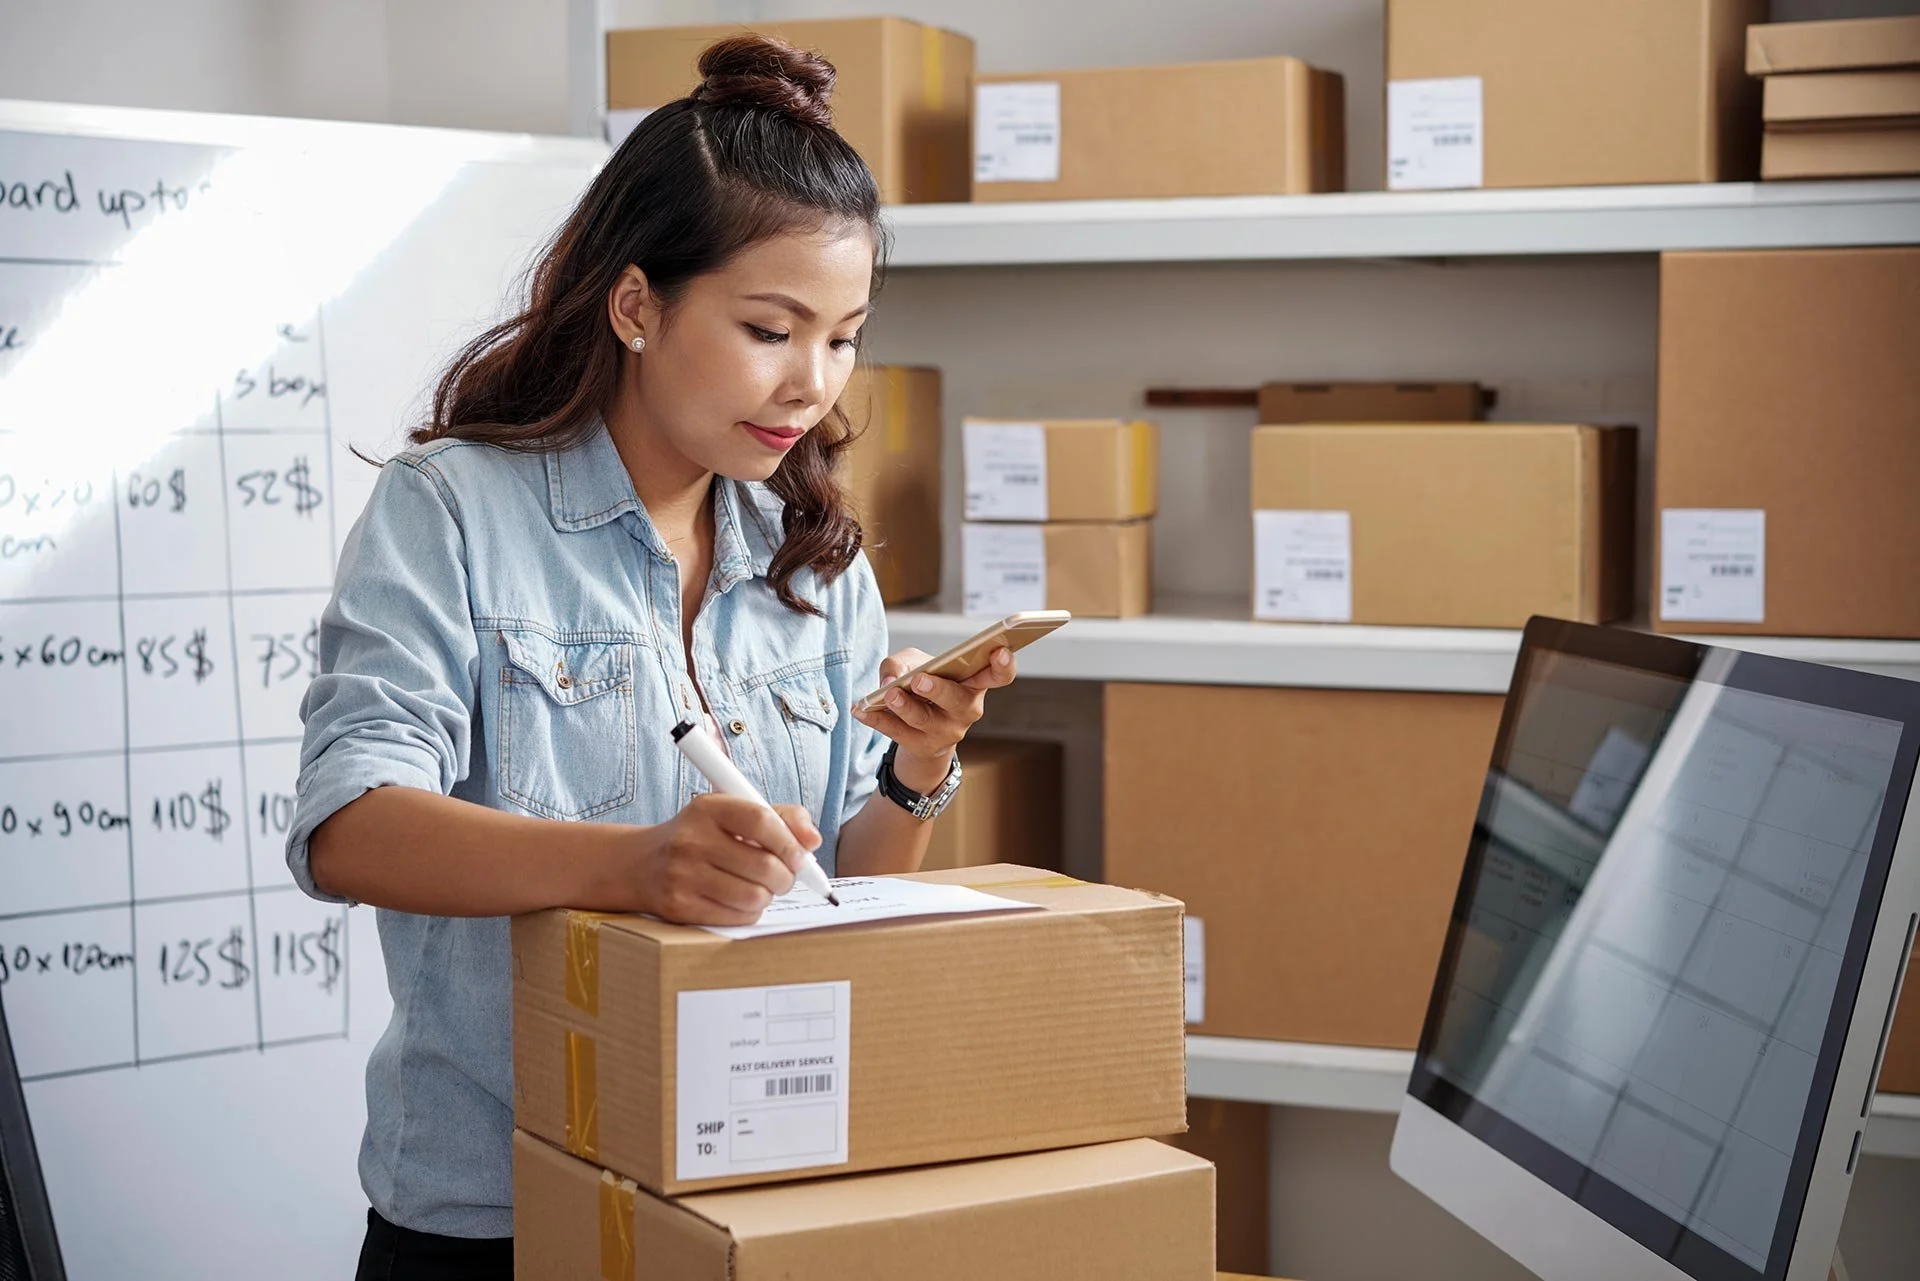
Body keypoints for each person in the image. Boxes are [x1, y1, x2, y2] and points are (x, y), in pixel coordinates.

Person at [286, 35, 1013, 1281]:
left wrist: (917, 771)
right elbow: (348, 827)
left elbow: (838, 879)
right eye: (769, 329)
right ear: (636, 305)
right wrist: (634, 865)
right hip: (496, 1211)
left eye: (843, 337)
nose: (810, 384)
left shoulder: (815, 555)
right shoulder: (452, 511)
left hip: (756, 1187)